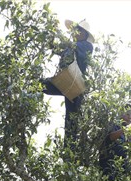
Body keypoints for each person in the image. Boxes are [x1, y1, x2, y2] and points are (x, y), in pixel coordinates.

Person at [41, 19, 94, 152]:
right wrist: (51, 33)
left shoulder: (86, 46)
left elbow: (71, 46)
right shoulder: (70, 46)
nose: (75, 32)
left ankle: (69, 154)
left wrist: (59, 34)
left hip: (77, 86)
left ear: (85, 34)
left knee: (71, 122)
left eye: (78, 30)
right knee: (40, 84)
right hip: (66, 81)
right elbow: (55, 47)